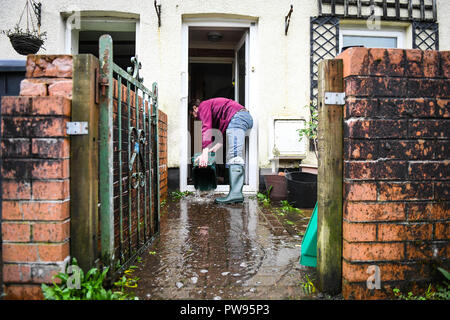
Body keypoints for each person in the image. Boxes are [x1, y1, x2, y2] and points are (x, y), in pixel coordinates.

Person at [189, 97, 253, 204]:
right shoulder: (214, 108)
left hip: (239, 117)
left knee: (235, 155)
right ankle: (235, 193)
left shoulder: (203, 106)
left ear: (195, 108)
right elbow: (224, 128)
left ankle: (236, 195)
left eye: (193, 114)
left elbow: (206, 128)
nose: (196, 117)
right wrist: (217, 146)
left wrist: (204, 153)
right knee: (232, 154)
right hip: (241, 118)